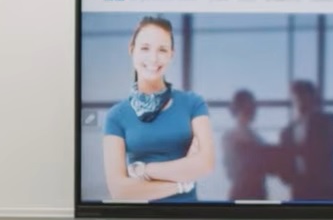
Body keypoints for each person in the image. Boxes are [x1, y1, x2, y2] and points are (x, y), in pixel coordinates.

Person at [101, 16, 215, 202]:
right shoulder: (116, 116)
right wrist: (181, 184)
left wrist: (142, 170)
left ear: (171, 54)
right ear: (132, 49)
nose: (153, 58)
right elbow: (120, 191)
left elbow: (206, 164)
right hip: (140, 218)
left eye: (162, 50)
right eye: (145, 48)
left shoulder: (193, 103)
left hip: (190, 216)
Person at [279, 79, 333, 201]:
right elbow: (284, 162)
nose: (300, 101)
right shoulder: (287, 132)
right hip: (300, 191)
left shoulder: (329, 121)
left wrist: (297, 151)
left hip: (327, 190)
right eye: (297, 98)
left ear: (312, 98)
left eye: (303, 96)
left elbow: (330, 148)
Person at [221, 89, 278, 201]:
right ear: (240, 108)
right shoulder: (230, 137)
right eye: (250, 106)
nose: (254, 110)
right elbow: (232, 170)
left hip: (258, 192)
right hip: (243, 193)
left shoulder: (256, 137)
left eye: (253, 106)